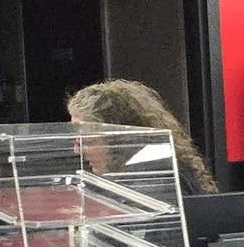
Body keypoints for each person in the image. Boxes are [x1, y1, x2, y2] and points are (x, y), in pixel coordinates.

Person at [66, 79, 217, 194]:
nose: (76, 149)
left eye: (85, 139)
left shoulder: (155, 179)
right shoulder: (140, 174)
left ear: (116, 137)